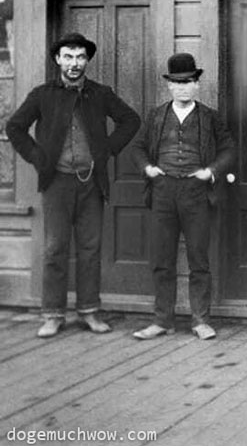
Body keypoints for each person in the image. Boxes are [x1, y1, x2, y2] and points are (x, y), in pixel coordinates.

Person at [6, 32, 140, 338]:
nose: (74, 63)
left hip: (92, 183)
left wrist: (107, 149)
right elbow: (14, 127)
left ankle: (89, 311)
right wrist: (38, 157)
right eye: (68, 56)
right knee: (55, 248)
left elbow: (130, 120)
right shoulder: (43, 94)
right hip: (57, 184)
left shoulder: (100, 93)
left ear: (87, 60)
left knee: (90, 249)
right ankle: (53, 314)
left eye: (80, 57)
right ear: (58, 59)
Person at [129, 53, 235, 341]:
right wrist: (147, 168)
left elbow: (229, 150)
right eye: (177, 83)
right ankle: (162, 320)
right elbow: (137, 147)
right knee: (162, 259)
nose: (183, 88)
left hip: (196, 193)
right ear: (169, 86)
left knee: (199, 258)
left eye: (188, 82)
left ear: (197, 84)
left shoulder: (210, 117)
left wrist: (210, 171)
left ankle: (200, 320)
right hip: (163, 192)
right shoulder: (156, 116)